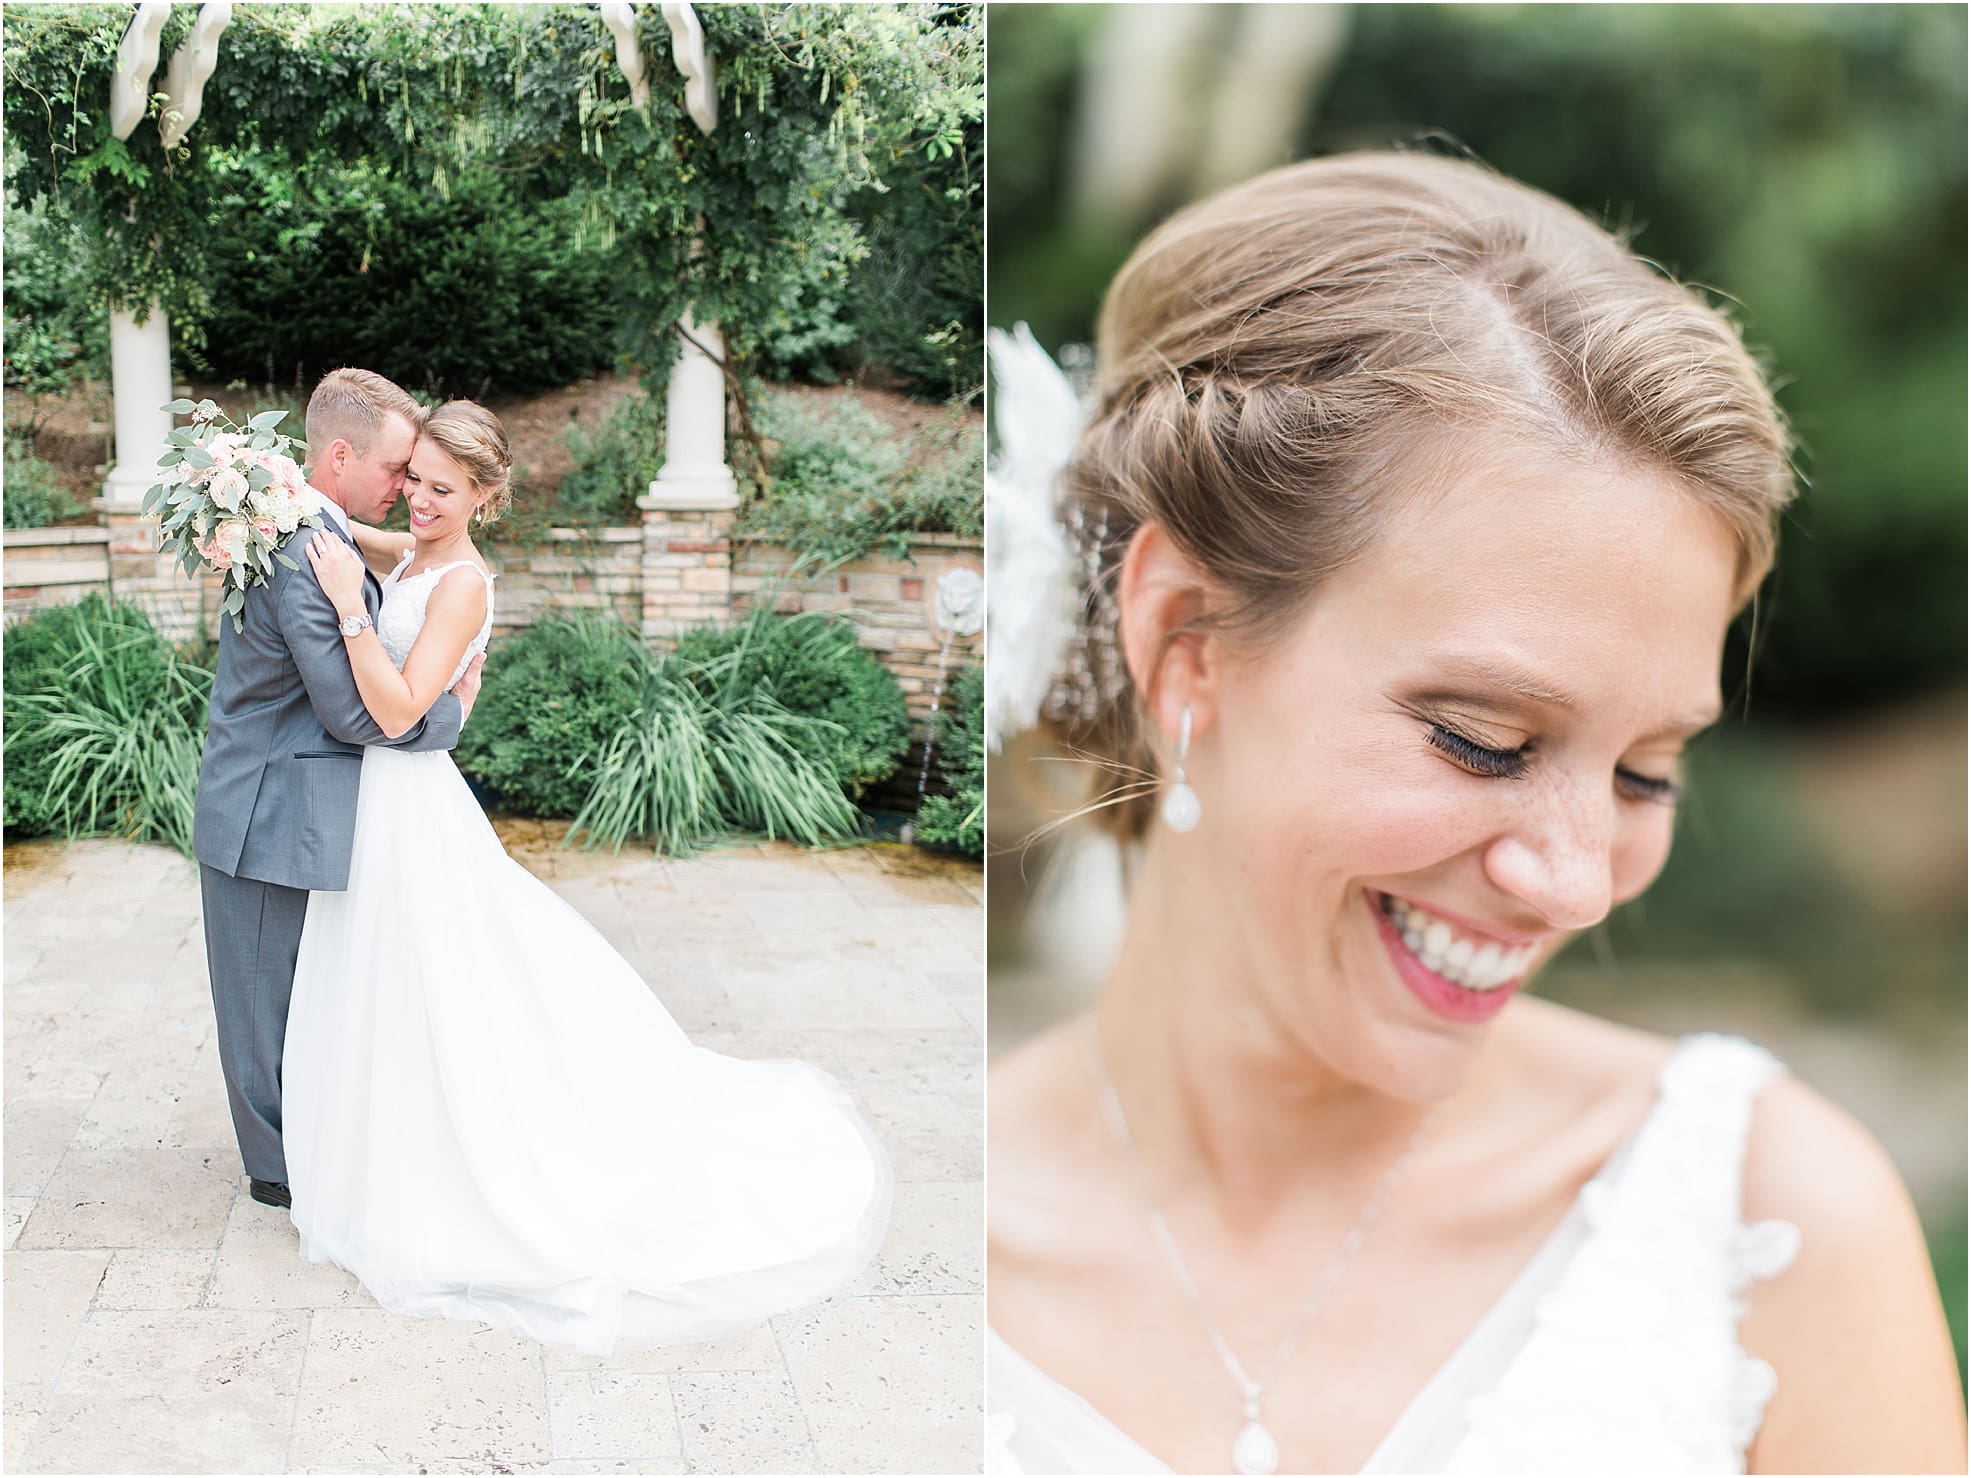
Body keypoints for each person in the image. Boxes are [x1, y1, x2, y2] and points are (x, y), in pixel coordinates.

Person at [985, 153, 1966, 1474]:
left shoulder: (1769, 1230)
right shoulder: (904, 1241)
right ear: (1185, 641)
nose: (1574, 881)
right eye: (1484, 741)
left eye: (1644, 770)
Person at [286, 399, 891, 1355]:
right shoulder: (415, 552)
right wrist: (290, 503)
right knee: (394, 980)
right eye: (414, 481)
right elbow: (371, 537)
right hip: (380, 809)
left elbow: (400, 713)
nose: (419, 501)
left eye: (443, 490)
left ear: (485, 497)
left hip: (408, 799)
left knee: (438, 978)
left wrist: (350, 611)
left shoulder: (461, 585)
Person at [193, 367, 484, 1215]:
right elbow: (357, 714)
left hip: (300, 802)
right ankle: (279, 1172)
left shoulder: (313, 526)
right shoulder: (302, 551)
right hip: (264, 808)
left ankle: (314, 1145)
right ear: (341, 458)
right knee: (260, 1003)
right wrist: (449, 717)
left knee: (302, 993)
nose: (406, 489)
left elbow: (413, 558)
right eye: (398, 470)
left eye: (424, 478)